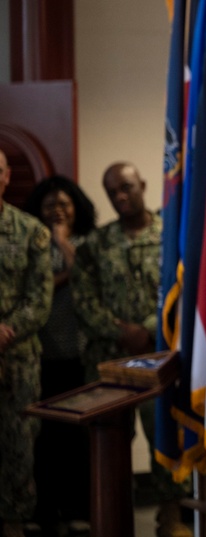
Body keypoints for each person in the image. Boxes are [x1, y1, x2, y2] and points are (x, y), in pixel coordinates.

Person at [72, 162, 191, 537]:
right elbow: (82, 297)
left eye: (126, 187)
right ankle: (108, 516)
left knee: (163, 436)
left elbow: (184, 289)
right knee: (108, 442)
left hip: (160, 359)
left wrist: (149, 331)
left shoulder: (170, 234)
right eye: (113, 192)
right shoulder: (96, 243)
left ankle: (169, 516)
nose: (121, 197)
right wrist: (117, 330)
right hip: (109, 361)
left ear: (142, 183)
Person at [24, 175, 98, 536]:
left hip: (79, 357)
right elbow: (36, 289)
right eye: (50, 205)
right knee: (42, 439)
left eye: (64, 204)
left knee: (75, 440)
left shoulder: (86, 242)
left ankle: (77, 509)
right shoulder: (30, 240)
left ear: (76, 207)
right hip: (40, 356)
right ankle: (44, 511)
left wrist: (63, 242)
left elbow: (82, 277)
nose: (57, 210)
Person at [0, 150, 54, 537]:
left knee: (19, 447)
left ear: (6, 177)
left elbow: (40, 300)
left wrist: (5, 330)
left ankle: (15, 523)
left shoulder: (31, 230)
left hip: (16, 361)